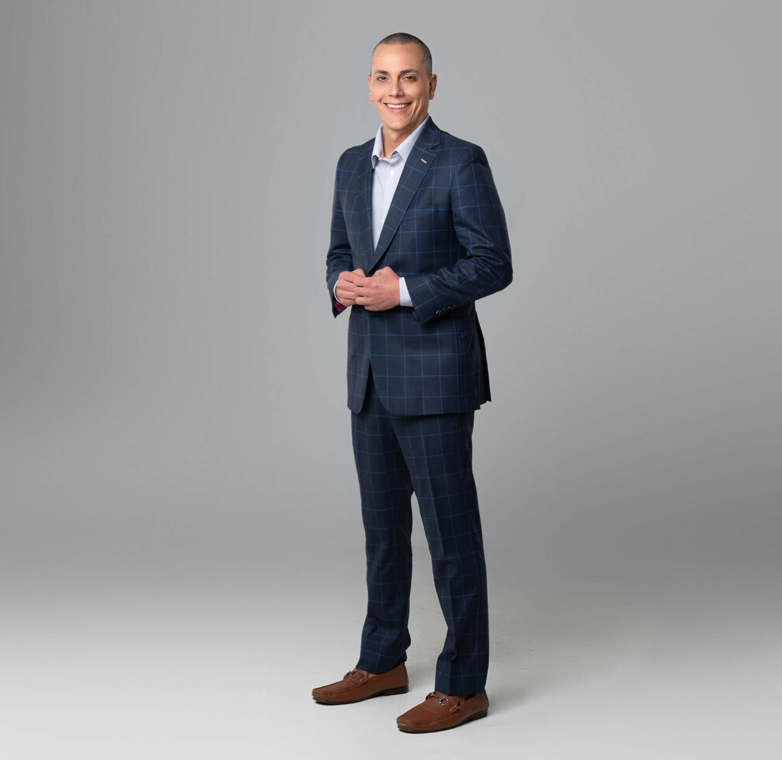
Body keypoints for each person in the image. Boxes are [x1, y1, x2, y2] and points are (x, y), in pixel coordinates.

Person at [313, 32, 512, 734]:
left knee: (452, 537)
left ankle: (463, 685)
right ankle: (381, 662)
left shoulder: (459, 160)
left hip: (435, 375)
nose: (394, 91)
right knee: (383, 532)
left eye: (408, 78)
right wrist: (339, 282)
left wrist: (403, 291)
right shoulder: (350, 164)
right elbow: (341, 249)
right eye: (382, 77)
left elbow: (493, 263)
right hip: (369, 373)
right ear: (369, 85)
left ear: (431, 84)